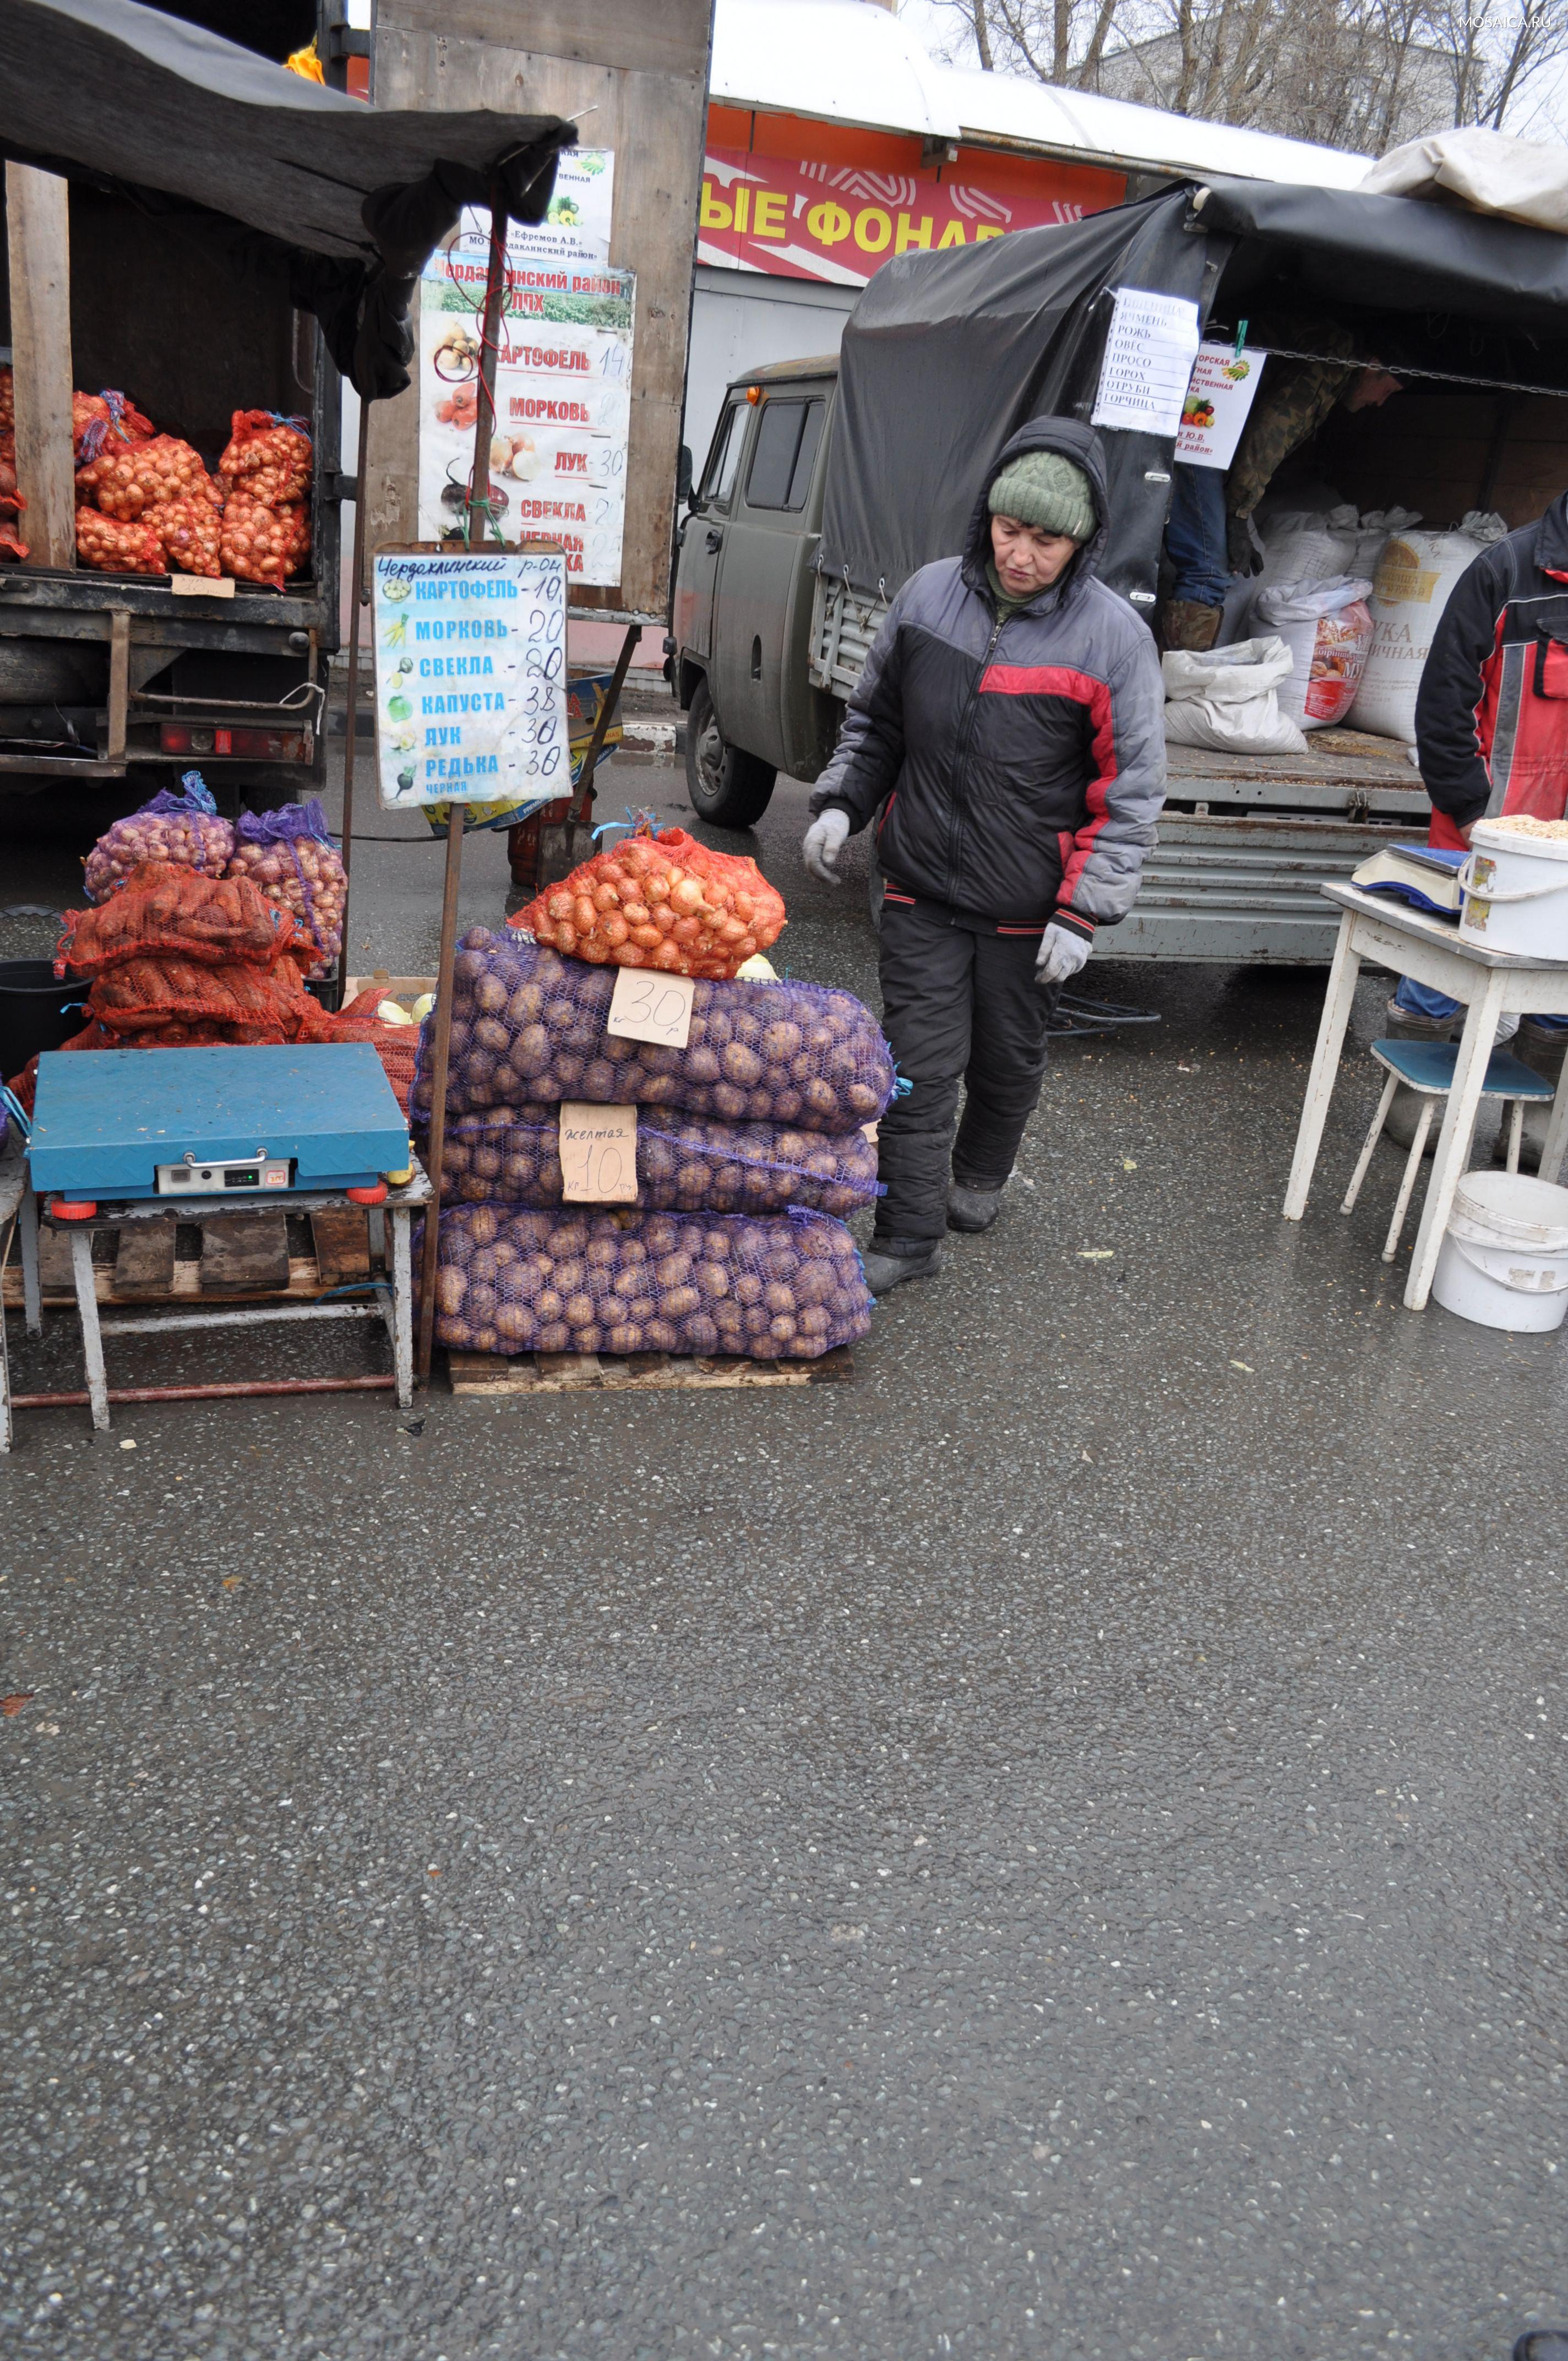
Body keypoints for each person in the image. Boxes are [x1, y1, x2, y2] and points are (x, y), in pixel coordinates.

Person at [800, 417, 1166, 1296]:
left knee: (1007, 1064)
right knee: (918, 1069)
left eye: (1046, 540)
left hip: (1030, 909)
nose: (1022, 555)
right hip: (921, 887)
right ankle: (908, 1236)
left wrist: (1084, 911)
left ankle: (982, 1175)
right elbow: (878, 721)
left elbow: (1129, 790)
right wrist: (843, 802)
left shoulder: (1114, 640)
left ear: (1081, 543)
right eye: (1010, 530)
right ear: (987, 518)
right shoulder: (928, 596)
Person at [1385, 488, 1568, 1145]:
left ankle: (1530, 1128)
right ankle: (1413, 1107)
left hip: (1565, 850)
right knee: (1443, 973)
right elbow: (1442, 696)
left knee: (1560, 990)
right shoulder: (1504, 570)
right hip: (1481, 831)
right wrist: (1468, 809)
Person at [1163, 329, 1403, 651]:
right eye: (1386, 390)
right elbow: (1268, 435)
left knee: (1230, 570)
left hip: (1210, 438)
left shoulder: (1331, 364)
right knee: (1210, 570)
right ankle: (1175, 682)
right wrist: (1237, 516)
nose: (1379, 402)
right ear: (1373, 367)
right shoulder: (1329, 364)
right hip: (1199, 435)